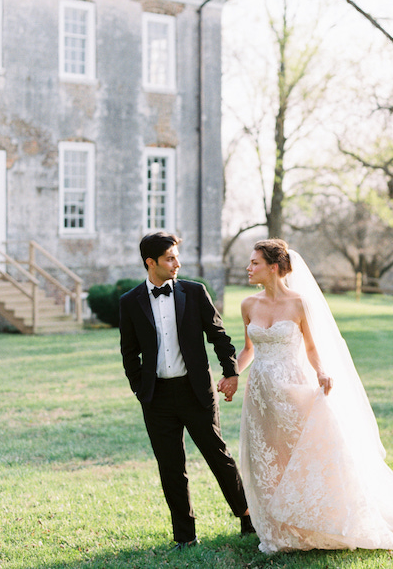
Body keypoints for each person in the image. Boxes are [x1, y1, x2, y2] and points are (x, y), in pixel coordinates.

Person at [236, 238, 393, 554]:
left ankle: (317, 521)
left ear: (272, 267)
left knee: (302, 457)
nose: (248, 268)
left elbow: (311, 347)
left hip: (293, 390)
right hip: (260, 397)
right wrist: (231, 374)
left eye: (254, 263)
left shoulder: (298, 303)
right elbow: (248, 350)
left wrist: (321, 372)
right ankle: (279, 529)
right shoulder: (248, 305)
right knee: (268, 459)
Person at [119, 231, 254, 551]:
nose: (177, 263)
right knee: (171, 466)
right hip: (157, 398)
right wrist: (141, 389)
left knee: (218, 456)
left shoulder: (195, 293)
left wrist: (231, 372)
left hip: (196, 391)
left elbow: (219, 337)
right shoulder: (130, 301)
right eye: (169, 258)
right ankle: (184, 535)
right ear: (151, 263)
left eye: (176, 256)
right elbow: (129, 352)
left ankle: (247, 516)